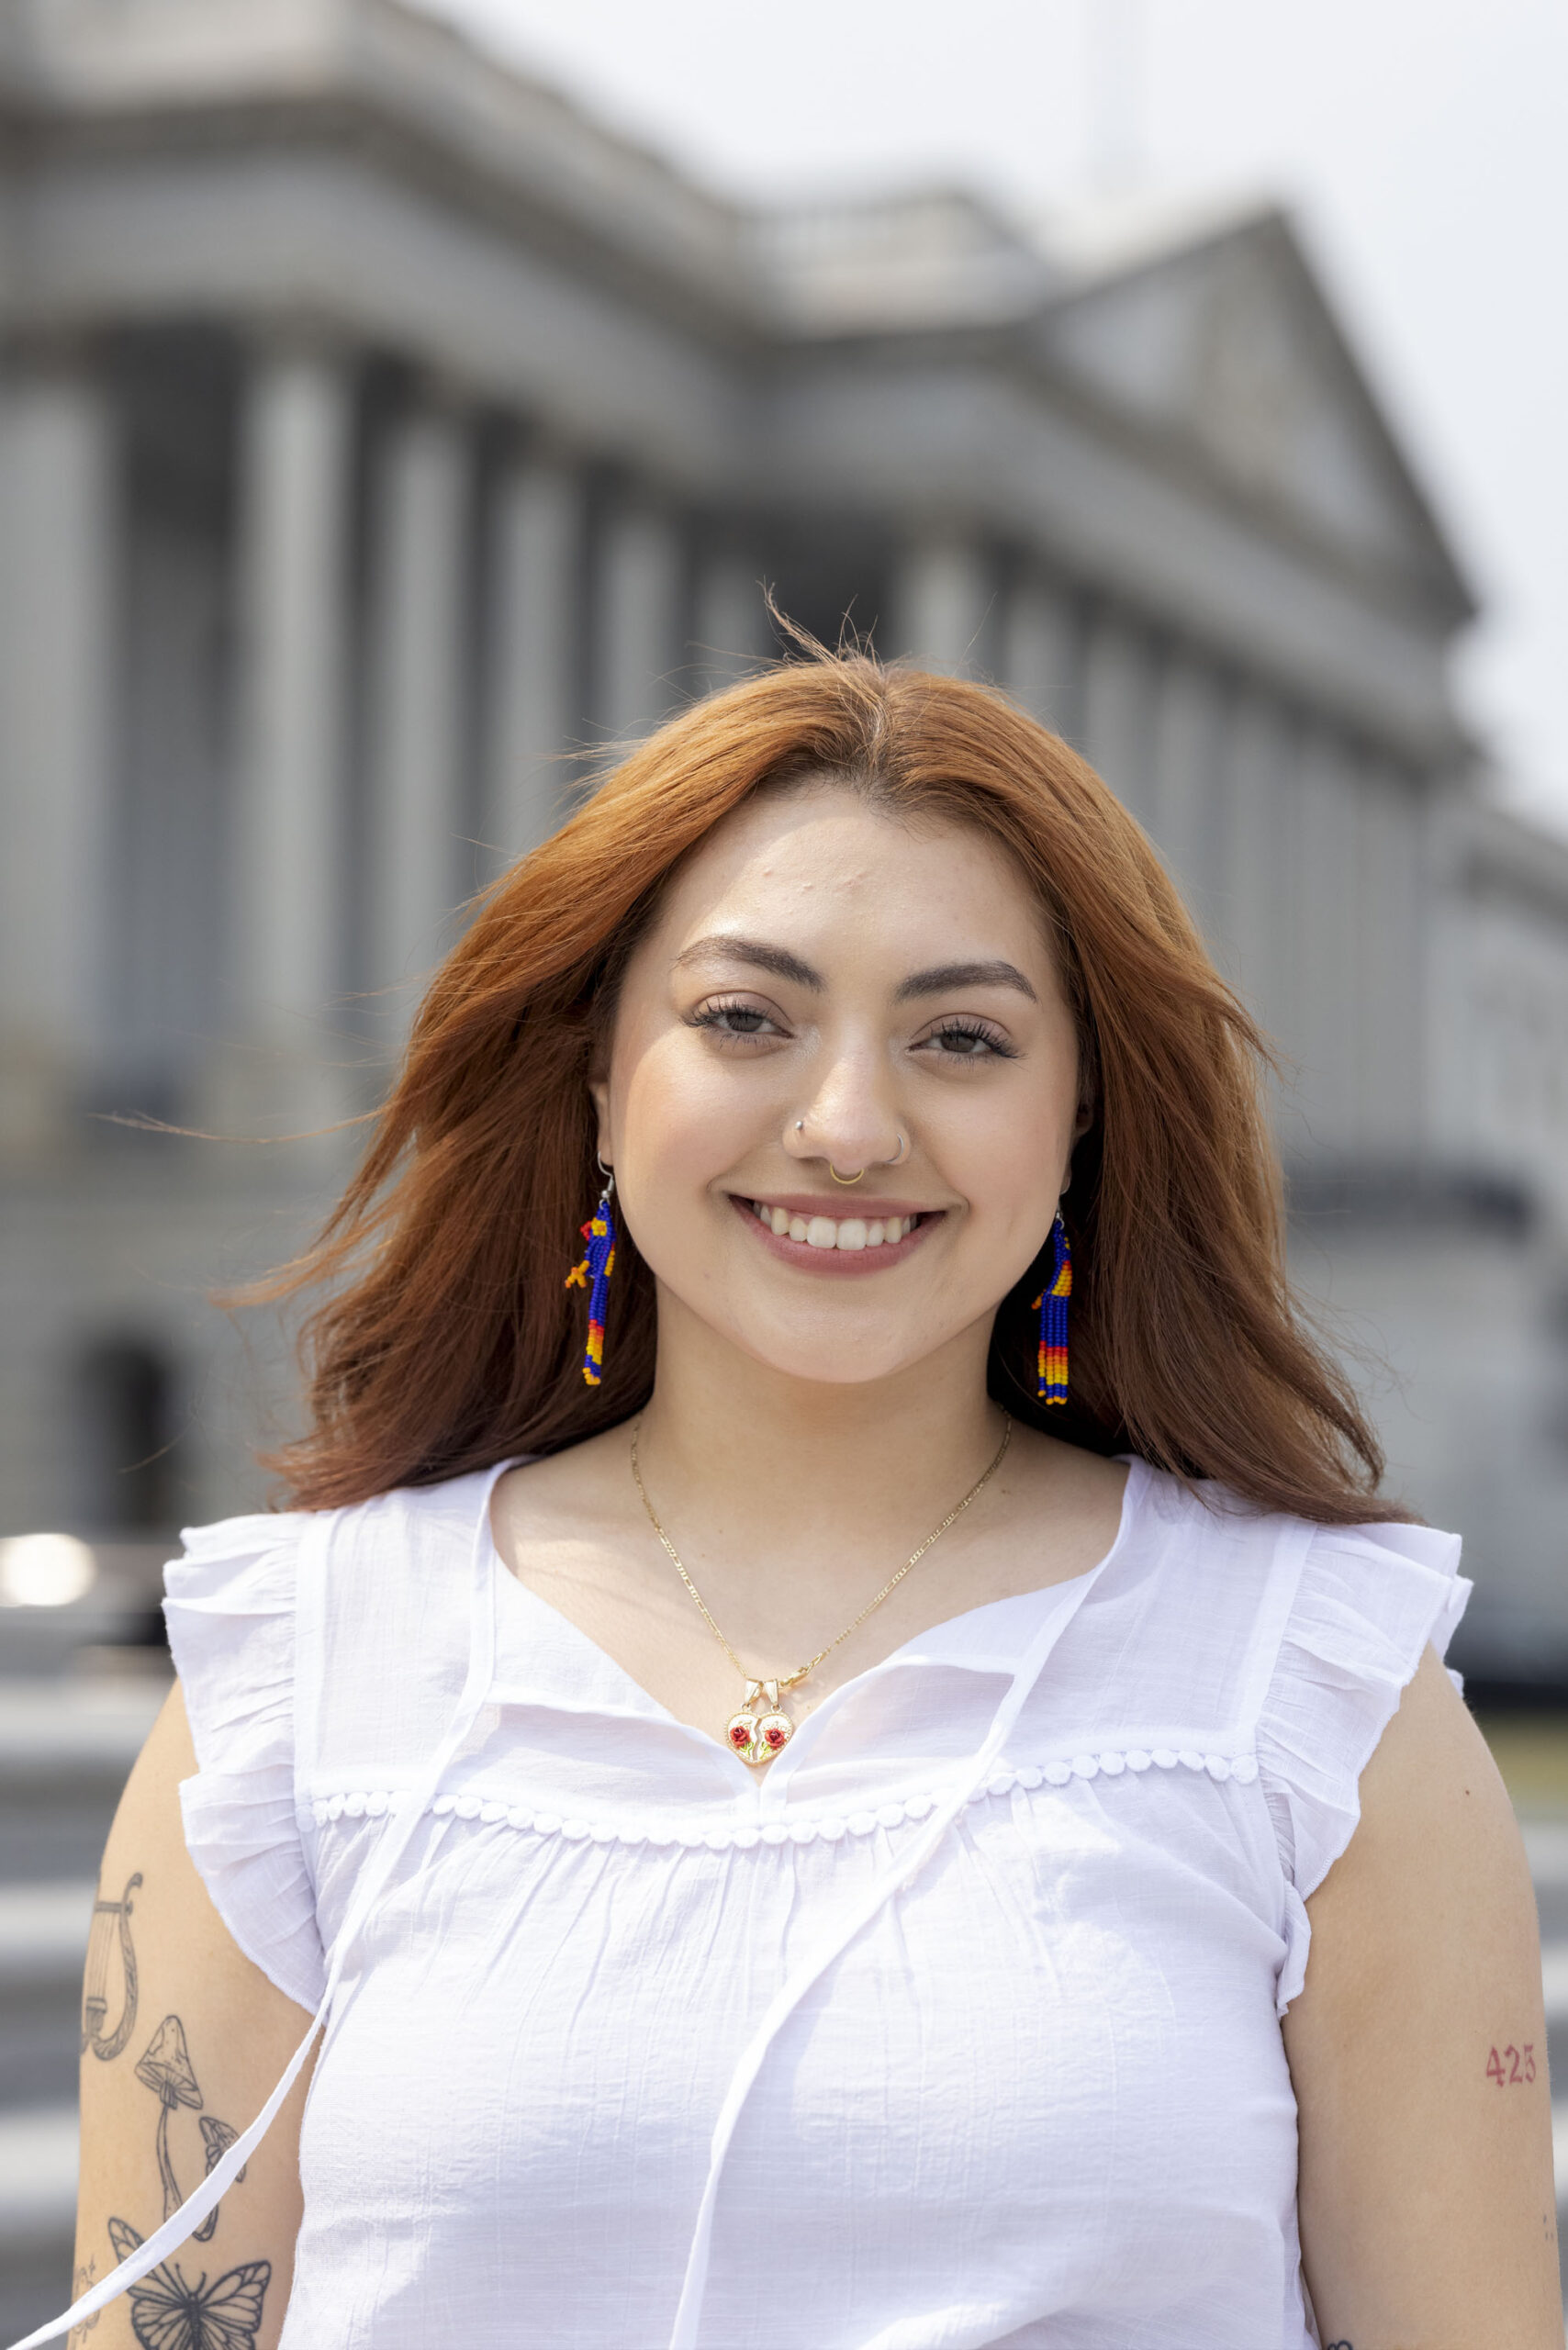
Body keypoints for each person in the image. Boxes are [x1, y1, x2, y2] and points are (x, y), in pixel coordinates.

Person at [40, 651, 1558, 2350]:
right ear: (606, 1083)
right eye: (745, 1019)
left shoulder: (1322, 1701)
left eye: (961, 1038)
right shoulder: (295, 1688)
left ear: (1076, 1127)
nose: (846, 1125)